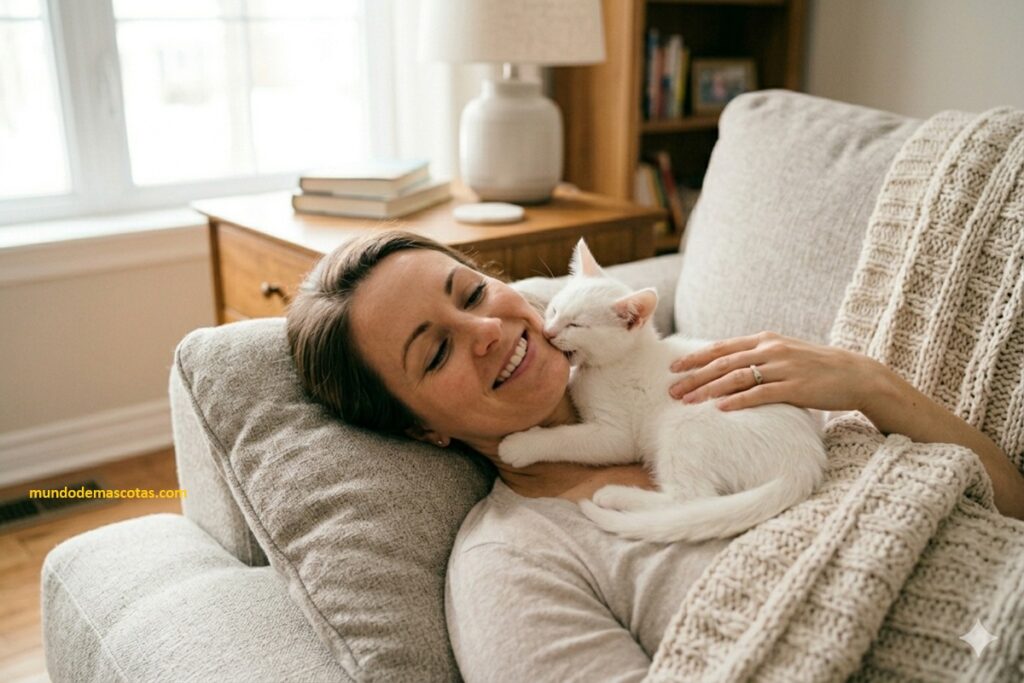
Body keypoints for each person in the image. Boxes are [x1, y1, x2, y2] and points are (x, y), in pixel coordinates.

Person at [286, 229, 1024, 682]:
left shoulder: (716, 373)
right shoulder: (510, 565)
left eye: (473, 292)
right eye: (436, 351)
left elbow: (1011, 503)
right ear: (423, 430)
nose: (484, 330)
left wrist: (870, 385)